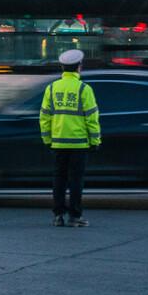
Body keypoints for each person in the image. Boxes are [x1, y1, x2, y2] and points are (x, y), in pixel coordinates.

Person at [39, 49, 101, 228]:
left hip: (58, 142)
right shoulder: (84, 89)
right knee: (75, 181)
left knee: (59, 179)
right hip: (79, 144)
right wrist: (95, 141)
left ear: (62, 67)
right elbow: (92, 118)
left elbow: (44, 117)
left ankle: (58, 216)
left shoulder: (52, 88)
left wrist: (47, 140)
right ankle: (75, 216)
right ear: (79, 67)